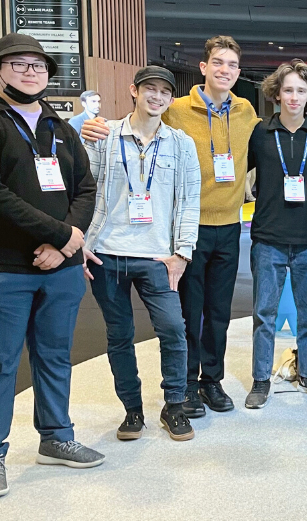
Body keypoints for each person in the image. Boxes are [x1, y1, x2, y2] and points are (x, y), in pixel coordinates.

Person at [82, 36, 260, 418]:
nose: (224, 70)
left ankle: (212, 379)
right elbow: (137, 124)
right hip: (186, 229)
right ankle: (189, 384)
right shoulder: (176, 109)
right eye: (218, 63)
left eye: (231, 65)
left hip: (228, 224)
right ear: (204, 67)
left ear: (238, 72)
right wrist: (95, 128)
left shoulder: (246, 111)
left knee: (219, 311)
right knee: (189, 309)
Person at [0, 33, 102, 500]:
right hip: (2, 267)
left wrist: (66, 244)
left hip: (61, 270)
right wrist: (59, 235)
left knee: (54, 357)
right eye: (18, 65)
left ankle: (56, 437)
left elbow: (85, 190)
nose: (30, 73)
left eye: (38, 66)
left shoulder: (60, 126)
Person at [81, 66, 201, 442]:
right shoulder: (104, 135)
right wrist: (81, 242)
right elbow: (84, 189)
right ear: (134, 91)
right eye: (150, 88)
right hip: (106, 254)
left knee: (173, 330)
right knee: (119, 335)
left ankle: (174, 405)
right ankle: (132, 410)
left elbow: (189, 201)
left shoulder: (181, 144)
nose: (158, 97)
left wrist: (182, 252)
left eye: (165, 92)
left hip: (157, 257)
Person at [244, 60, 307, 409]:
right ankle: (260, 379)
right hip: (268, 238)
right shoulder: (259, 133)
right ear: (277, 93)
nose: (294, 97)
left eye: (301, 91)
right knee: (264, 314)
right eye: (288, 90)